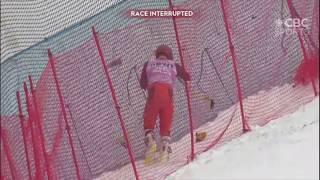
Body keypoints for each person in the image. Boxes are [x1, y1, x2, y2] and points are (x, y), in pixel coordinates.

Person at [140, 45, 190, 162]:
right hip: (168, 94)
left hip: (154, 93)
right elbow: (187, 76)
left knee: (149, 117)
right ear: (169, 55)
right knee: (166, 119)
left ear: (157, 54)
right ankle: (165, 145)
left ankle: (150, 139)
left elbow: (142, 84)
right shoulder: (173, 64)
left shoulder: (148, 64)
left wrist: (148, 82)